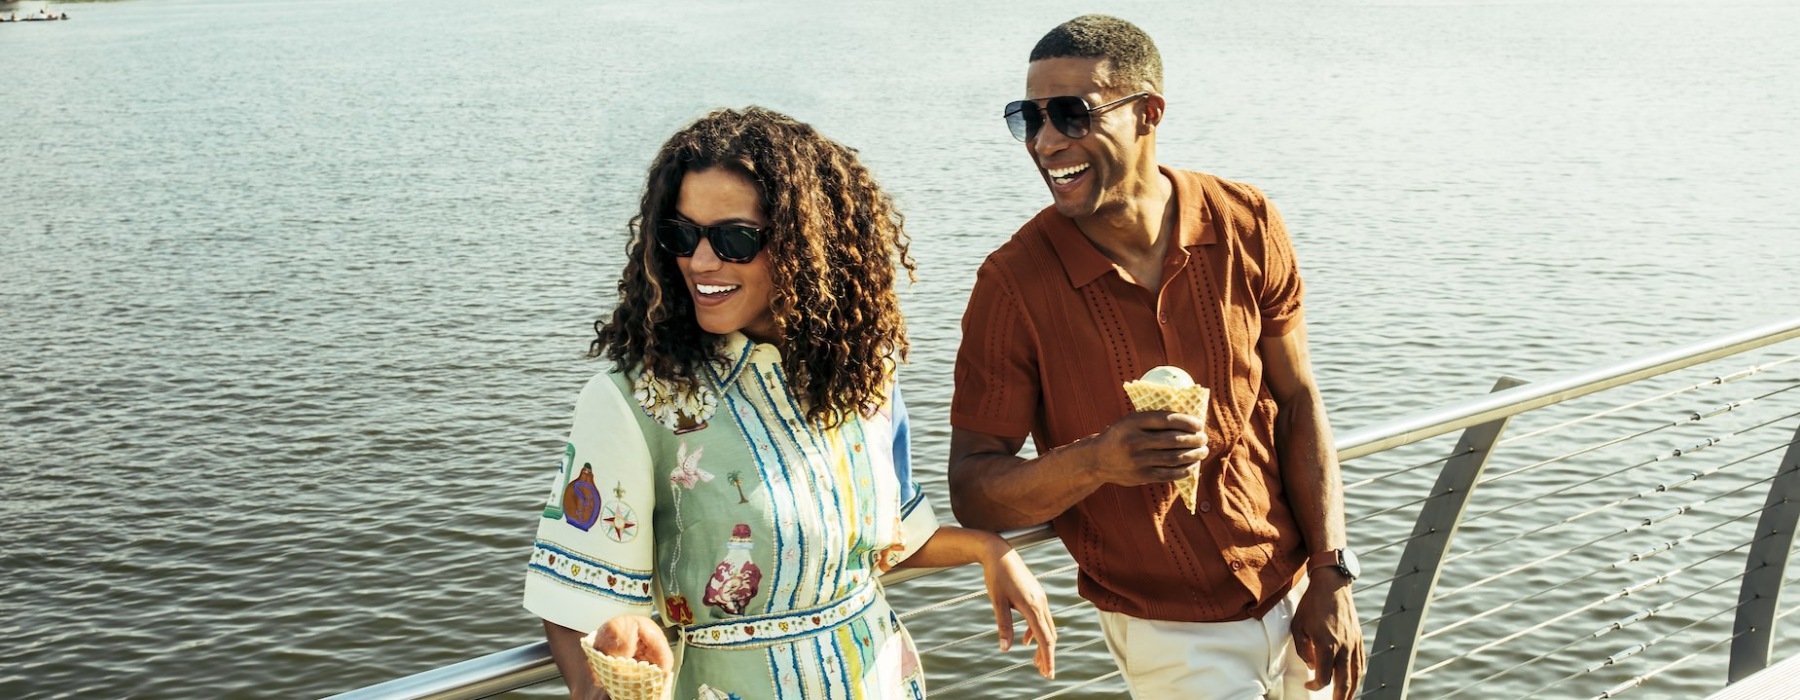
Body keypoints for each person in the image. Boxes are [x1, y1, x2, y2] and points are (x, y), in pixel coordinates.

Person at [524, 106, 1056, 700]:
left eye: (733, 238)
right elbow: (573, 601)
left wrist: (989, 547)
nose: (700, 261)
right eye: (681, 234)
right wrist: (603, 684)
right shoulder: (635, 403)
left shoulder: (865, 378)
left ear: (807, 243)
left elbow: (891, 541)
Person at [947, 14, 1363, 700]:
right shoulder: (1012, 285)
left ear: (1148, 113)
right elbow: (973, 489)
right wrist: (1097, 462)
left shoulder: (1247, 221)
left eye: (1072, 115)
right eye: (1030, 118)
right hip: (1167, 635)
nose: (1047, 142)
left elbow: (1298, 402)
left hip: (1298, 596)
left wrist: (1330, 572)